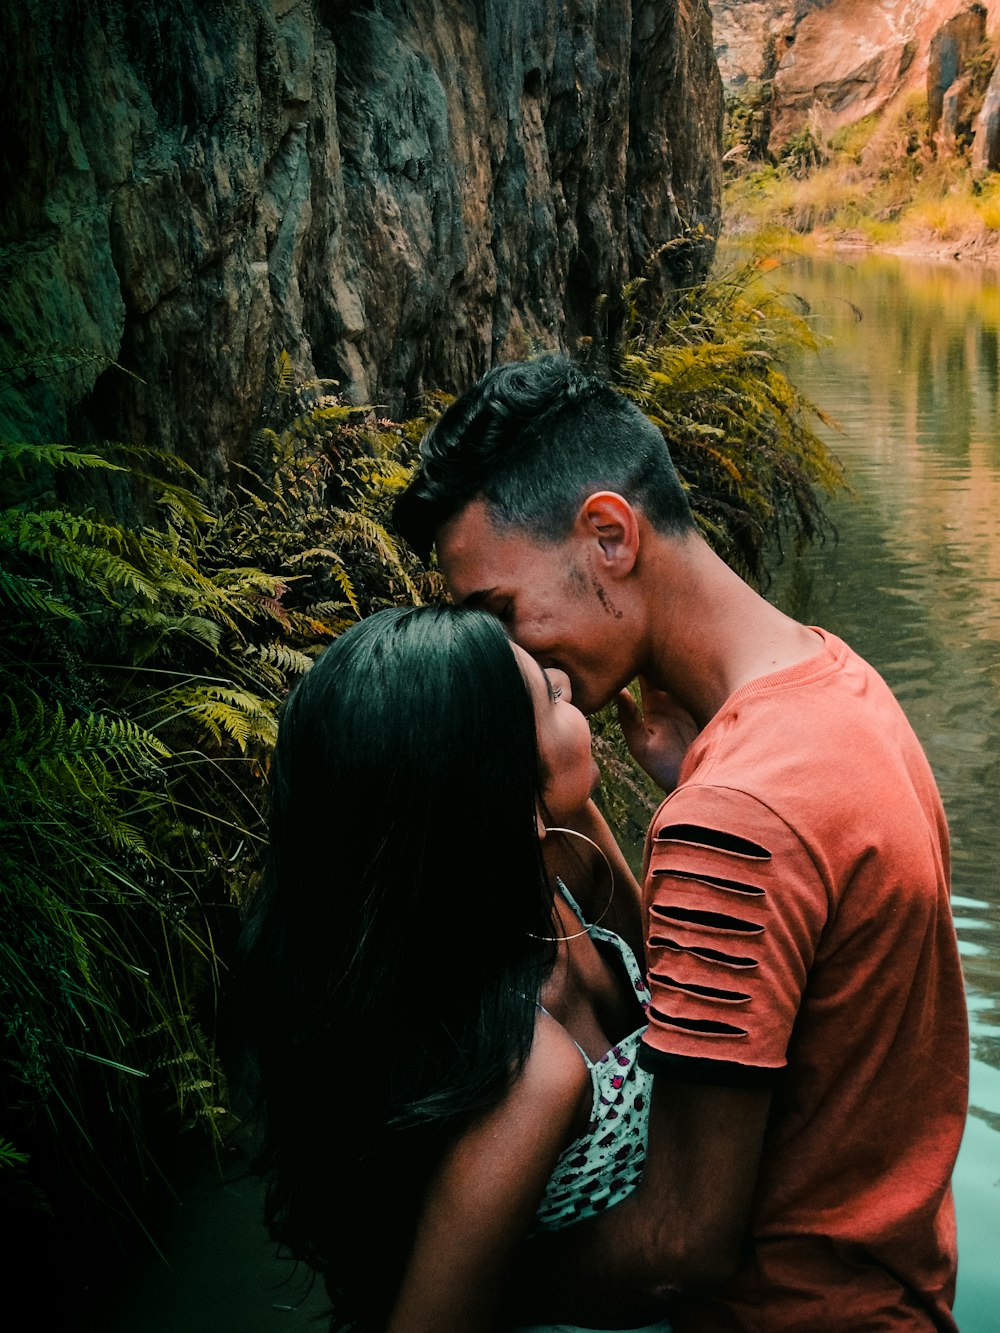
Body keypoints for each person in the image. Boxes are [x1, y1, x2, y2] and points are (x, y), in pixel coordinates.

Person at [392, 354, 970, 1332]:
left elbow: (679, 1241)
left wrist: (458, 1284)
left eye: (500, 614)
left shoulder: (736, 814)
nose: (505, 664)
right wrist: (678, 786)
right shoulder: (836, 687)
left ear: (609, 535)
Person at [237, 603, 674, 1333]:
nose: (568, 683)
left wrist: (682, 776)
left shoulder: (550, 857)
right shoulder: (527, 1077)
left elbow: (659, 981)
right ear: (506, 799)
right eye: (551, 697)